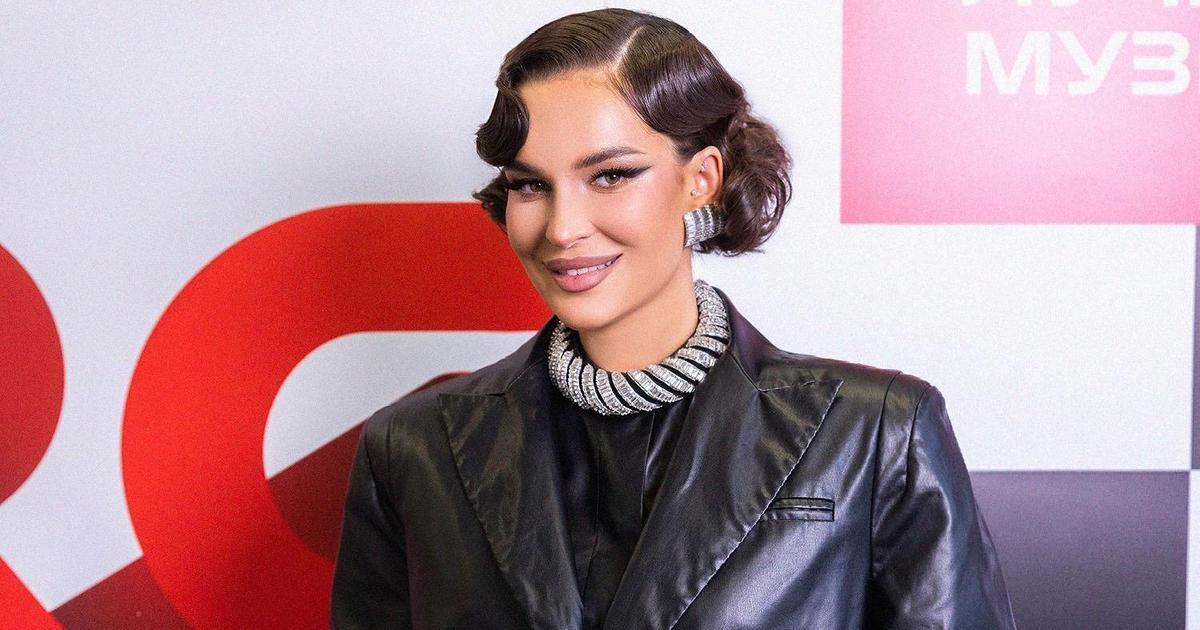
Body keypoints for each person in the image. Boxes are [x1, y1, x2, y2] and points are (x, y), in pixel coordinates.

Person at [331, 7, 1016, 629]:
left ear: (701, 179)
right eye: (531, 185)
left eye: (610, 175)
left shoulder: (876, 433)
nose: (563, 228)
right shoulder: (411, 448)